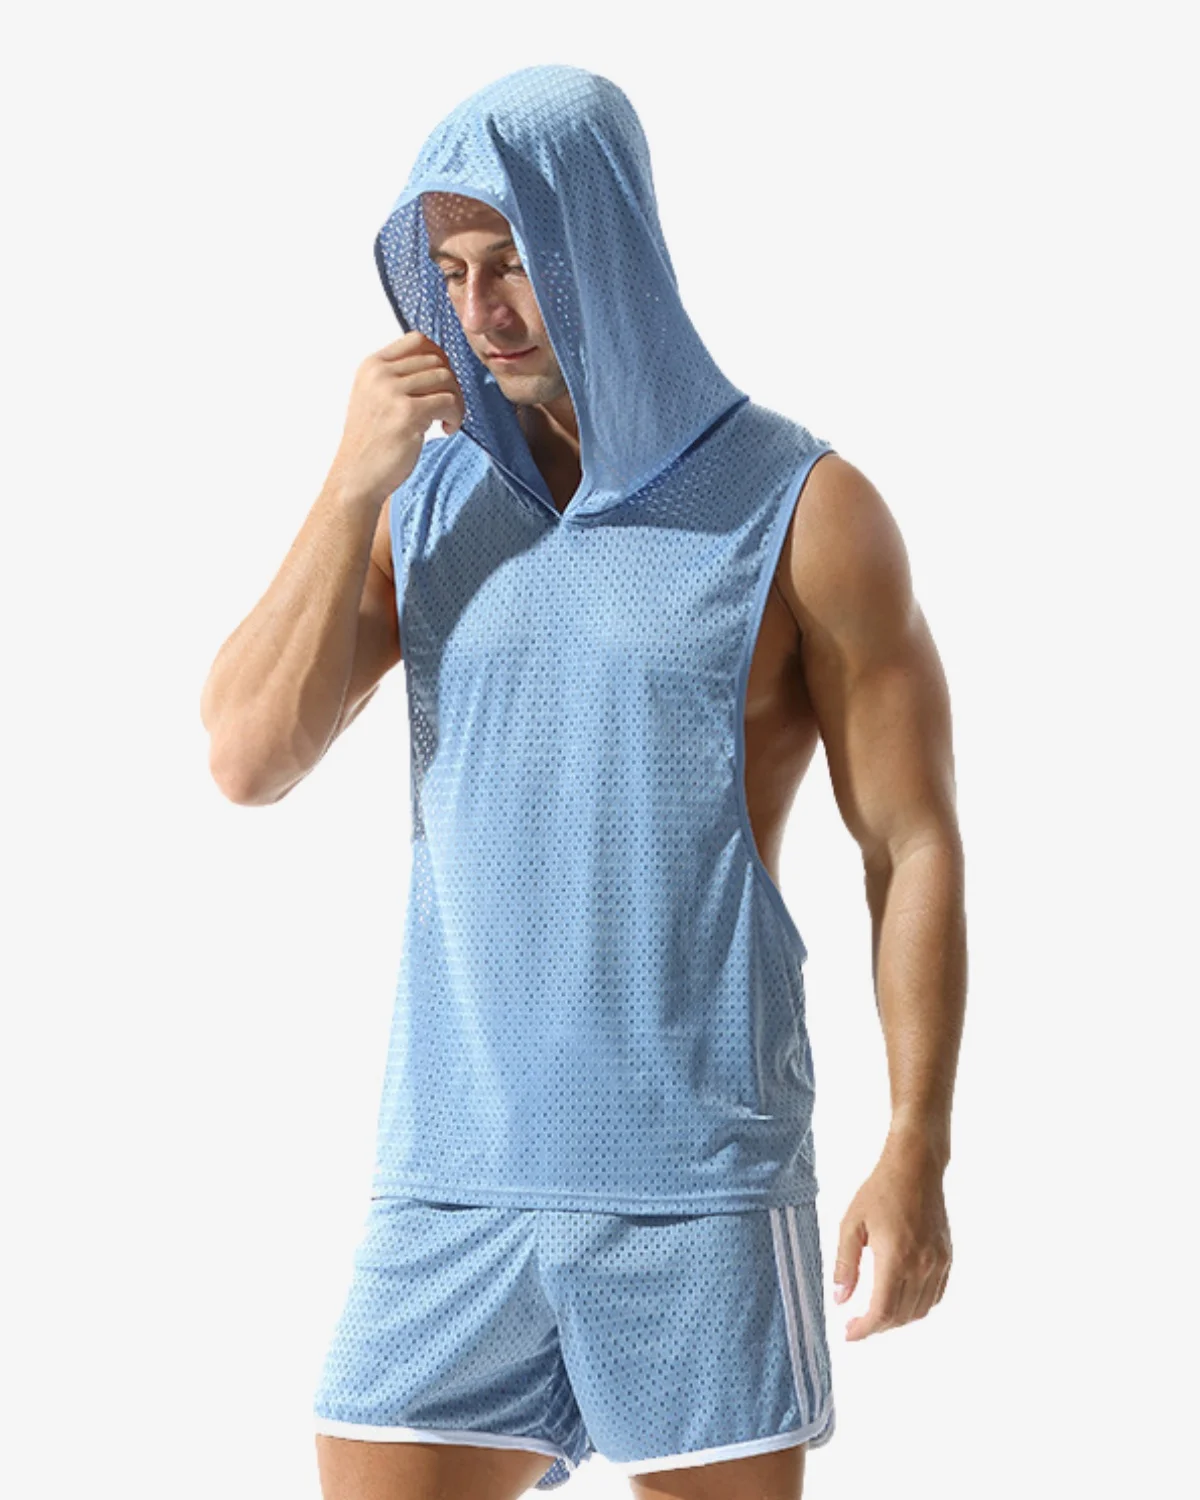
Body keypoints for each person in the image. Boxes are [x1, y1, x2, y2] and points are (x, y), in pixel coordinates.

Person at [201, 64, 965, 1500]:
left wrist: (914, 1146)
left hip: (694, 1193)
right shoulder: (426, 501)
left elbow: (910, 842)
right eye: (449, 274)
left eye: (513, 264)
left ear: (601, 243)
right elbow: (247, 755)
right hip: (451, 1179)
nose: (481, 311)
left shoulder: (803, 507)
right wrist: (349, 483)